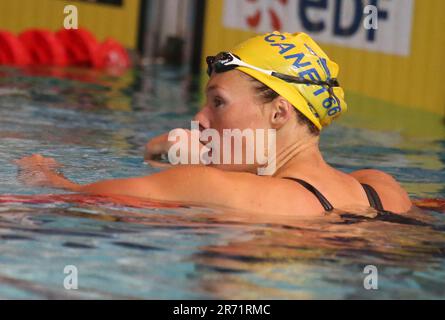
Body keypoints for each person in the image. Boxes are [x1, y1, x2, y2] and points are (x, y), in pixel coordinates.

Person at [15, 32, 412, 217]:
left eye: (217, 102)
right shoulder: (381, 189)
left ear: (279, 112)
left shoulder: (208, 185)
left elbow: (73, 196)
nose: (201, 119)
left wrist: (43, 172)